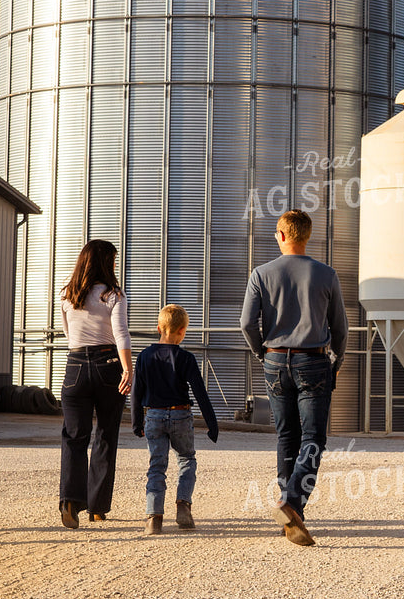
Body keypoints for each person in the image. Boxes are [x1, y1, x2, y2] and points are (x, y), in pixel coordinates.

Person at [240, 209, 348, 547]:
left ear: (282, 235)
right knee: (313, 438)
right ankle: (292, 502)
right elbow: (340, 327)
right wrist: (338, 360)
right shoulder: (326, 274)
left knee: (286, 435)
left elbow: (246, 323)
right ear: (307, 235)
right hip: (313, 361)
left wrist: (263, 353)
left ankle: (289, 509)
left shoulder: (261, 273)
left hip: (274, 359)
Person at [58, 239, 133, 527]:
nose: (115, 265)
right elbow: (121, 334)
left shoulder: (68, 295)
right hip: (108, 365)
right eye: (113, 260)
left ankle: (69, 501)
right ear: (105, 262)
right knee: (105, 434)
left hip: (75, 365)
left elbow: (68, 336)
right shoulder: (113, 295)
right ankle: (98, 506)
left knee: (74, 436)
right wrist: (128, 369)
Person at [131, 305, 219, 535]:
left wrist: (136, 422)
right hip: (180, 414)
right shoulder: (186, 358)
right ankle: (183, 506)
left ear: (159, 328)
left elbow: (137, 392)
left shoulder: (144, 356)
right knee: (187, 460)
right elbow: (200, 392)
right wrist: (212, 423)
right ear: (183, 330)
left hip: (154, 415)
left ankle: (153, 518)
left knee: (156, 466)